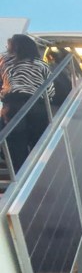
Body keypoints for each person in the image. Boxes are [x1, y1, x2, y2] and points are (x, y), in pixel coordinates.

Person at [0, 34, 55, 172]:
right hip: (38, 106)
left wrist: (4, 97)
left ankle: (20, 175)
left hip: (14, 106)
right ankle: (37, 173)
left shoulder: (7, 63)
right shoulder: (42, 64)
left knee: (15, 144)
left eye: (10, 45)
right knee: (38, 143)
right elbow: (50, 90)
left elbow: (5, 86)